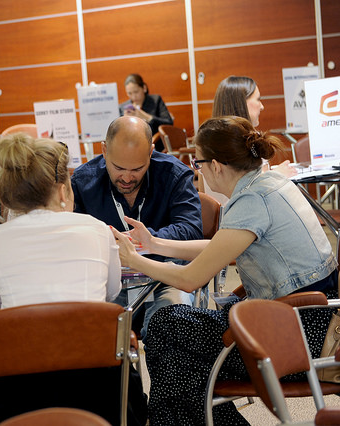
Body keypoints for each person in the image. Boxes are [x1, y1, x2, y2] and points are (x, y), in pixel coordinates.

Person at [112, 116, 338, 425]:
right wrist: (153, 243)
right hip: (311, 319)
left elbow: (190, 279)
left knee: (169, 331)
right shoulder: (270, 184)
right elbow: (220, 246)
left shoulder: (251, 201)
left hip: (298, 333)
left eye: (199, 163)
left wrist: (134, 260)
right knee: (175, 346)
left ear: (216, 166)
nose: (198, 171)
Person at [0, 133, 147, 426]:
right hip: (98, 382)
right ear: (61, 190)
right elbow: (111, 294)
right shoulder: (97, 229)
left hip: (19, 386)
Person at [71, 116, 202, 338]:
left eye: (137, 169)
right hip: (110, 281)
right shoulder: (83, 182)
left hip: (166, 277)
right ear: (104, 150)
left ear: (151, 152)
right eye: (118, 168)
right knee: (86, 330)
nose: (127, 178)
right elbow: (76, 238)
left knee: (173, 320)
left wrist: (144, 240)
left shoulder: (174, 175)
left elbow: (191, 231)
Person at [209, 75, 295, 204]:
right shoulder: (240, 145)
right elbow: (251, 192)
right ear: (241, 103)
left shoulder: (209, 141)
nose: (262, 106)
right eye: (258, 99)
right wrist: (277, 175)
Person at [118, 74, 173, 151]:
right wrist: (124, 120)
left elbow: (169, 123)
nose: (133, 96)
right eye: (129, 93)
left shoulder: (156, 101)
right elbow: (118, 133)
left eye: (136, 92)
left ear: (144, 88)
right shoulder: (124, 107)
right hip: (131, 148)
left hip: (155, 146)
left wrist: (145, 116)